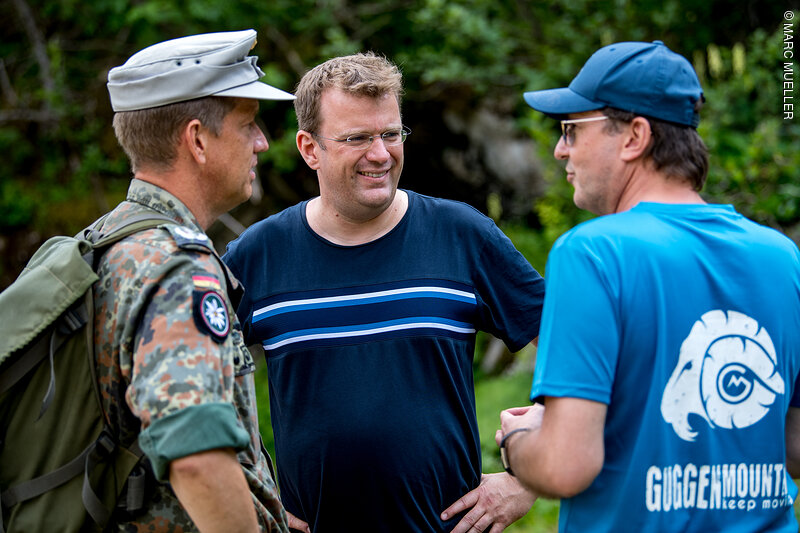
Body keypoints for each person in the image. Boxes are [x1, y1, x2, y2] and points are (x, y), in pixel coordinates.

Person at [223, 52, 545, 532]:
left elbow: (579, 354)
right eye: (357, 138)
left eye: (391, 134)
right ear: (310, 148)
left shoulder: (461, 234)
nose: (380, 154)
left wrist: (529, 480)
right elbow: (191, 386)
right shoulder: (259, 254)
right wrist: (243, 490)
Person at [497, 40, 800, 532]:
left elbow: (563, 466)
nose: (560, 149)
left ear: (635, 136)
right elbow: (796, 450)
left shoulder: (592, 253)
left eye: (572, 129)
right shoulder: (782, 256)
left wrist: (521, 440)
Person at [97, 29, 295, 531]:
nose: (262, 143)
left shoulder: (107, 242)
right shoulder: (178, 269)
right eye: (248, 125)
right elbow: (195, 453)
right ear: (198, 140)